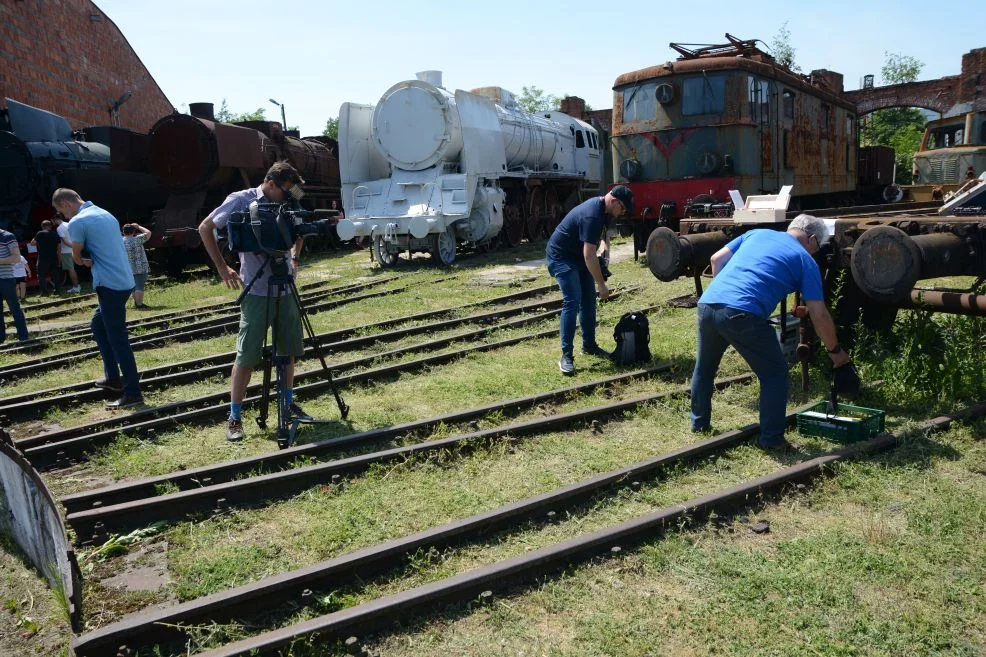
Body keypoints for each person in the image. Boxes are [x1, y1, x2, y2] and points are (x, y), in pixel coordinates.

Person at [690, 214, 852, 450]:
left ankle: (699, 424)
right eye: (818, 247)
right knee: (775, 374)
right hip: (743, 313)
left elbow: (716, 259)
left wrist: (725, 296)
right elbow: (819, 313)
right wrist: (835, 352)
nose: (816, 252)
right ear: (812, 239)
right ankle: (772, 440)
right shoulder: (804, 260)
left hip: (708, 304)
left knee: (704, 368)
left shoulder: (757, 233)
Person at [197, 161, 308, 442]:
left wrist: (294, 257)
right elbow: (205, 227)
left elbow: (300, 228)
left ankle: (287, 402)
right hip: (257, 287)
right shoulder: (241, 200)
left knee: (288, 350)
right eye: (284, 190)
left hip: (285, 286)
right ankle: (235, 416)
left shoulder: (287, 201)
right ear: (271, 183)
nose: (287, 196)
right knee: (247, 356)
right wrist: (222, 268)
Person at [52, 188, 143, 409]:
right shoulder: (106, 213)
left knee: (118, 339)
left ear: (65, 204)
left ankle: (132, 392)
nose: (63, 217)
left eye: (60, 211)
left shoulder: (78, 222)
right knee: (98, 324)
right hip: (124, 280)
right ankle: (112, 377)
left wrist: (83, 262)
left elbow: (77, 255)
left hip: (108, 284)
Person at [545, 185, 633, 376]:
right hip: (561, 257)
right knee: (573, 300)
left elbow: (603, 236)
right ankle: (566, 355)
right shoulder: (592, 214)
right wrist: (601, 284)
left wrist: (606, 253)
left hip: (577, 256)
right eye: (623, 208)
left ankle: (589, 346)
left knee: (588, 301)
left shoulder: (605, 210)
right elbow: (589, 255)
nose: (622, 213)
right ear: (614, 201)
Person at [0, 227, 30, 344]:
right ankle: (1, 340)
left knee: (15, 308)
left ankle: (23, 337)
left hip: (6, 279)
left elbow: (17, 258)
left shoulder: (7, 236)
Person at [122, 223, 152, 309]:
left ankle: (136, 303)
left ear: (123, 232)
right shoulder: (138, 239)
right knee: (140, 285)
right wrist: (138, 226)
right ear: (133, 231)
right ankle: (139, 305)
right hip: (141, 266)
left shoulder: (121, 241)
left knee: (134, 286)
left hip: (128, 267)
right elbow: (148, 233)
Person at [31, 220, 61, 294]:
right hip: (54, 257)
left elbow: (32, 243)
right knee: (55, 275)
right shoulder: (55, 234)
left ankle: (44, 292)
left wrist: (34, 239)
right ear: (50, 226)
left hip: (42, 258)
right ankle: (57, 291)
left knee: (41, 275)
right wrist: (59, 259)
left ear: (42, 226)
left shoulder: (39, 233)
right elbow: (59, 248)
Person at [54, 214, 81, 293]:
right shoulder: (69, 224)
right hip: (75, 249)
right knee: (74, 269)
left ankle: (76, 287)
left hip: (66, 251)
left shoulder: (59, 228)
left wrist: (73, 247)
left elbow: (65, 241)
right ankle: (77, 285)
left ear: (56, 219)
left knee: (71, 269)